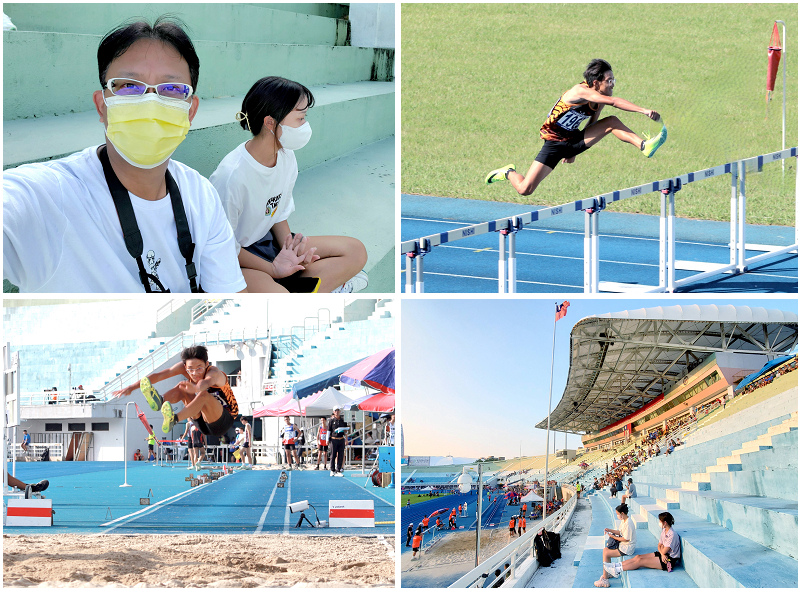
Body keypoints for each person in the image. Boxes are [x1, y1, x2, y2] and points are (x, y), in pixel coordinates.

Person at [3, 17, 246, 293]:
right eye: (129, 86)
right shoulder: (47, 198)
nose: (151, 101)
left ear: (191, 111)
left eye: (172, 89)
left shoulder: (201, 196)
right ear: (102, 106)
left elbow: (231, 307)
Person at [210, 76, 368, 293]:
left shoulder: (286, 156)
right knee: (280, 299)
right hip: (239, 257)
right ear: (270, 123)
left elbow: (277, 214)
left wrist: (290, 251)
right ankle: (309, 289)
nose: (305, 125)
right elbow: (222, 247)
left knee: (355, 251)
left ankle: (301, 287)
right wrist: (273, 269)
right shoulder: (232, 177)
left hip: (269, 244)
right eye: (300, 118)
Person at [485, 59, 666, 196]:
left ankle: (644, 146)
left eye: (614, 80)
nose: (613, 84)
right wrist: (643, 110)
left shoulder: (598, 99)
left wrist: (574, 151)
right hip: (554, 144)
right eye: (609, 81)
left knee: (611, 122)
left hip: (573, 140)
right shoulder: (578, 92)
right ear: (596, 83)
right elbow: (613, 101)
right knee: (525, 189)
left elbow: (593, 124)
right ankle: (508, 172)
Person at [113, 345, 239, 438]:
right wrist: (131, 387)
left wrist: (195, 388)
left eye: (199, 368)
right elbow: (158, 376)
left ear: (206, 364)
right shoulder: (184, 368)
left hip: (223, 421)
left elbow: (204, 384)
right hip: (201, 421)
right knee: (181, 388)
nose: (195, 373)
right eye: (190, 369)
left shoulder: (214, 373)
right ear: (185, 366)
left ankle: (174, 419)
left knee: (203, 395)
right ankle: (160, 401)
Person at [604, 512, 681, 578]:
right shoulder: (664, 530)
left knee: (640, 561)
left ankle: (617, 570)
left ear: (665, 523)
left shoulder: (672, 535)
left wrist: (662, 553)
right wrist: (662, 553)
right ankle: (616, 565)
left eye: (660, 521)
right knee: (638, 557)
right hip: (663, 555)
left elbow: (664, 550)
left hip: (668, 560)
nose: (659, 523)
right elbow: (659, 545)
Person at [594, 503, 636, 587]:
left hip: (627, 547)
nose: (617, 515)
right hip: (624, 545)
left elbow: (626, 538)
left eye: (617, 514)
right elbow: (620, 532)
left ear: (622, 513)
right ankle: (608, 573)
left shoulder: (628, 523)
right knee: (606, 550)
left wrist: (613, 537)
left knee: (606, 552)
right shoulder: (624, 521)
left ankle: (605, 580)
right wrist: (610, 530)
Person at [328, 406, 348, 477]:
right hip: (334, 439)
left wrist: (346, 439)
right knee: (333, 455)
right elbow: (329, 430)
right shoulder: (331, 420)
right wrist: (327, 439)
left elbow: (346, 431)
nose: (337, 412)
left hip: (341, 439)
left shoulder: (343, 420)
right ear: (334, 412)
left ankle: (338, 469)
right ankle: (332, 470)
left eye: (338, 410)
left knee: (341, 455)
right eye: (335, 410)